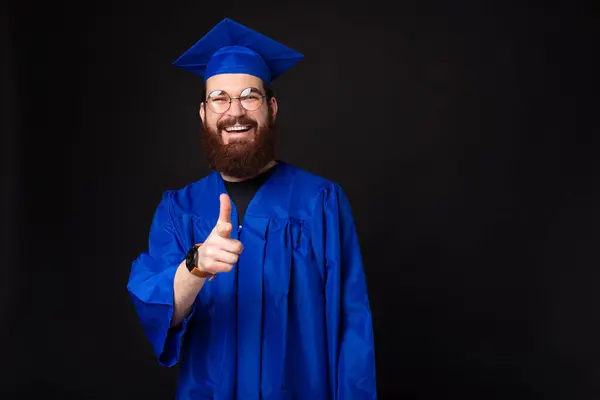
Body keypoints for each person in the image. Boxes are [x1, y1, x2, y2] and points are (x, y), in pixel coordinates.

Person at [126, 17, 377, 399]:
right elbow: (162, 313)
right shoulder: (179, 210)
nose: (235, 111)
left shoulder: (321, 201)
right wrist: (196, 266)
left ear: (271, 108)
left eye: (249, 96)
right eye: (219, 98)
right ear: (204, 113)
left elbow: (351, 324)